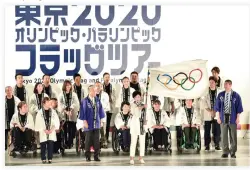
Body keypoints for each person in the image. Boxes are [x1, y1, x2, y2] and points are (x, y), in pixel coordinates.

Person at [215, 80, 243, 158]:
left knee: (233, 136)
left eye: (227, 84)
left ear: (230, 85)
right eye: (224, 84)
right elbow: (217, 107)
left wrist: (238, 118)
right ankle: (225, 152)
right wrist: (218, 117)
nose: (225, 86)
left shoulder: (236, 95)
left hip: (233, 117)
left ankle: (233, 152)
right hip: (223, 117)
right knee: (223, 135)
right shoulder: (220, 95)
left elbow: (239, 108)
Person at [79, 85, 105, 162]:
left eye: (95, 90)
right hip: (88, 124)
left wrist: (101, 121)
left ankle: (96, 156)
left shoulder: (97, 100)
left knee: (96, 141)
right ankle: (87, 156)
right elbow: (82, 112)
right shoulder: (85, 101)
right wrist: (84, 121)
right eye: (93, 90)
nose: (95, 91)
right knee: (88, 141)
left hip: (96, 123)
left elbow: (101, 111)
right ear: (89, 91)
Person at [35, 97, 60, 164]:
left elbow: (56, 121)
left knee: (50, 145)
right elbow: (38, 123)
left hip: (51, 130)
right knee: (43, 145)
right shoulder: (39, 113)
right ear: (43, 103)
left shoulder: (53, 112)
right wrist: (43, 130)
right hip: (43, 131)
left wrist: (52, 129)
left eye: (49, 102)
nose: (49, 104)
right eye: (48, 102)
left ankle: (50, 158)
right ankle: (43, 158)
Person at [58, 80, 80, 149]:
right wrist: (65, 110)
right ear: (64, 86)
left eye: (69, 85)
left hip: (72, 114)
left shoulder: (74, 94)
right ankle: (65, 142)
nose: (68, 87)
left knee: (72, 129)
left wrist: (70, 109)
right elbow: (60, 104)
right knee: (64, 130)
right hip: (64, 115)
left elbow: (76, 103)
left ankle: (70, 142)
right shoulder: (61, 94)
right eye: (67, 85)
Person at [202, 76, 222, 151]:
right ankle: (207, 145)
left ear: (216, 83)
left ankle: (217, 145)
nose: (211, 84)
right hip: (208, 113)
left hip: (217, 113)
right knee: (207, 130)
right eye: (210, 82)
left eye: (212, 82)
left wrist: (216, 111)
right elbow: (203, 102)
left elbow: (221, 103)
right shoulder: (205, 91)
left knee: (217, 130)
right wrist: (210, 111)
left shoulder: (220, 92)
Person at [29, 82, 49, 149]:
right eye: (39, 86)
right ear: (36, 88)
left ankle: (43, 142)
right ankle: (37, 143)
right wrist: (37, 110)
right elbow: (31, 106)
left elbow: (48, 104)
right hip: (36, 115)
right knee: (36, 129)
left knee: (44, 128)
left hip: (45, 115)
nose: (40, 87)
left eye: (41, 86)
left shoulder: (46, 95)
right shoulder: (33, 96)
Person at [129, 91, 147, 165]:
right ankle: (132, 158)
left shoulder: (144, 104)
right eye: (136, 97)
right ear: (134, 98)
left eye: (139, 97)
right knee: (133, 142)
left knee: (142, 142)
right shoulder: (132, 105)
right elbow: (136, 112)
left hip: (142, 125)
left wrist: (146, 120)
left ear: (141, 97)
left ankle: (141, 157)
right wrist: (143, 107)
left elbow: (146, 114)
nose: (137, 98)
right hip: (135, 125)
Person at [95, 81, 110, 148]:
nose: (98, 87)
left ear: (101, 87)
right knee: (95, 128)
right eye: (96, 86)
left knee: (103, 128)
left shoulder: (105, 94)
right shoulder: (92, 94)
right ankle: (95, 142)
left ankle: (103, 141)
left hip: (102, 113)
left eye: (99, 86)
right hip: (94, 114)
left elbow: (105, 104)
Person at [5, 86, 21, 150]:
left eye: (10, 90)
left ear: (12, 91)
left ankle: (14, 146)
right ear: (5, 92)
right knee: (5, 133)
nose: (9, 92)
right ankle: (5, 146)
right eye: (7, 90)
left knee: (14, 133)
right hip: (6, 118)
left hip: (14, 119)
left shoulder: (16, 99)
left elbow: (20, 108)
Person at [102, 72, 116, 143]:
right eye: (106, 77)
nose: (107, 78)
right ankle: (102, 138)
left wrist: (111, 98)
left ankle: (107, 138)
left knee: (108, 124)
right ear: (103, 78)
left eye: (108, 77)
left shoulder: (112, 87)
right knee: (102, 124)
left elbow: (114, 97)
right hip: (103, 108)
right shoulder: (101, 86)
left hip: (109, 108)